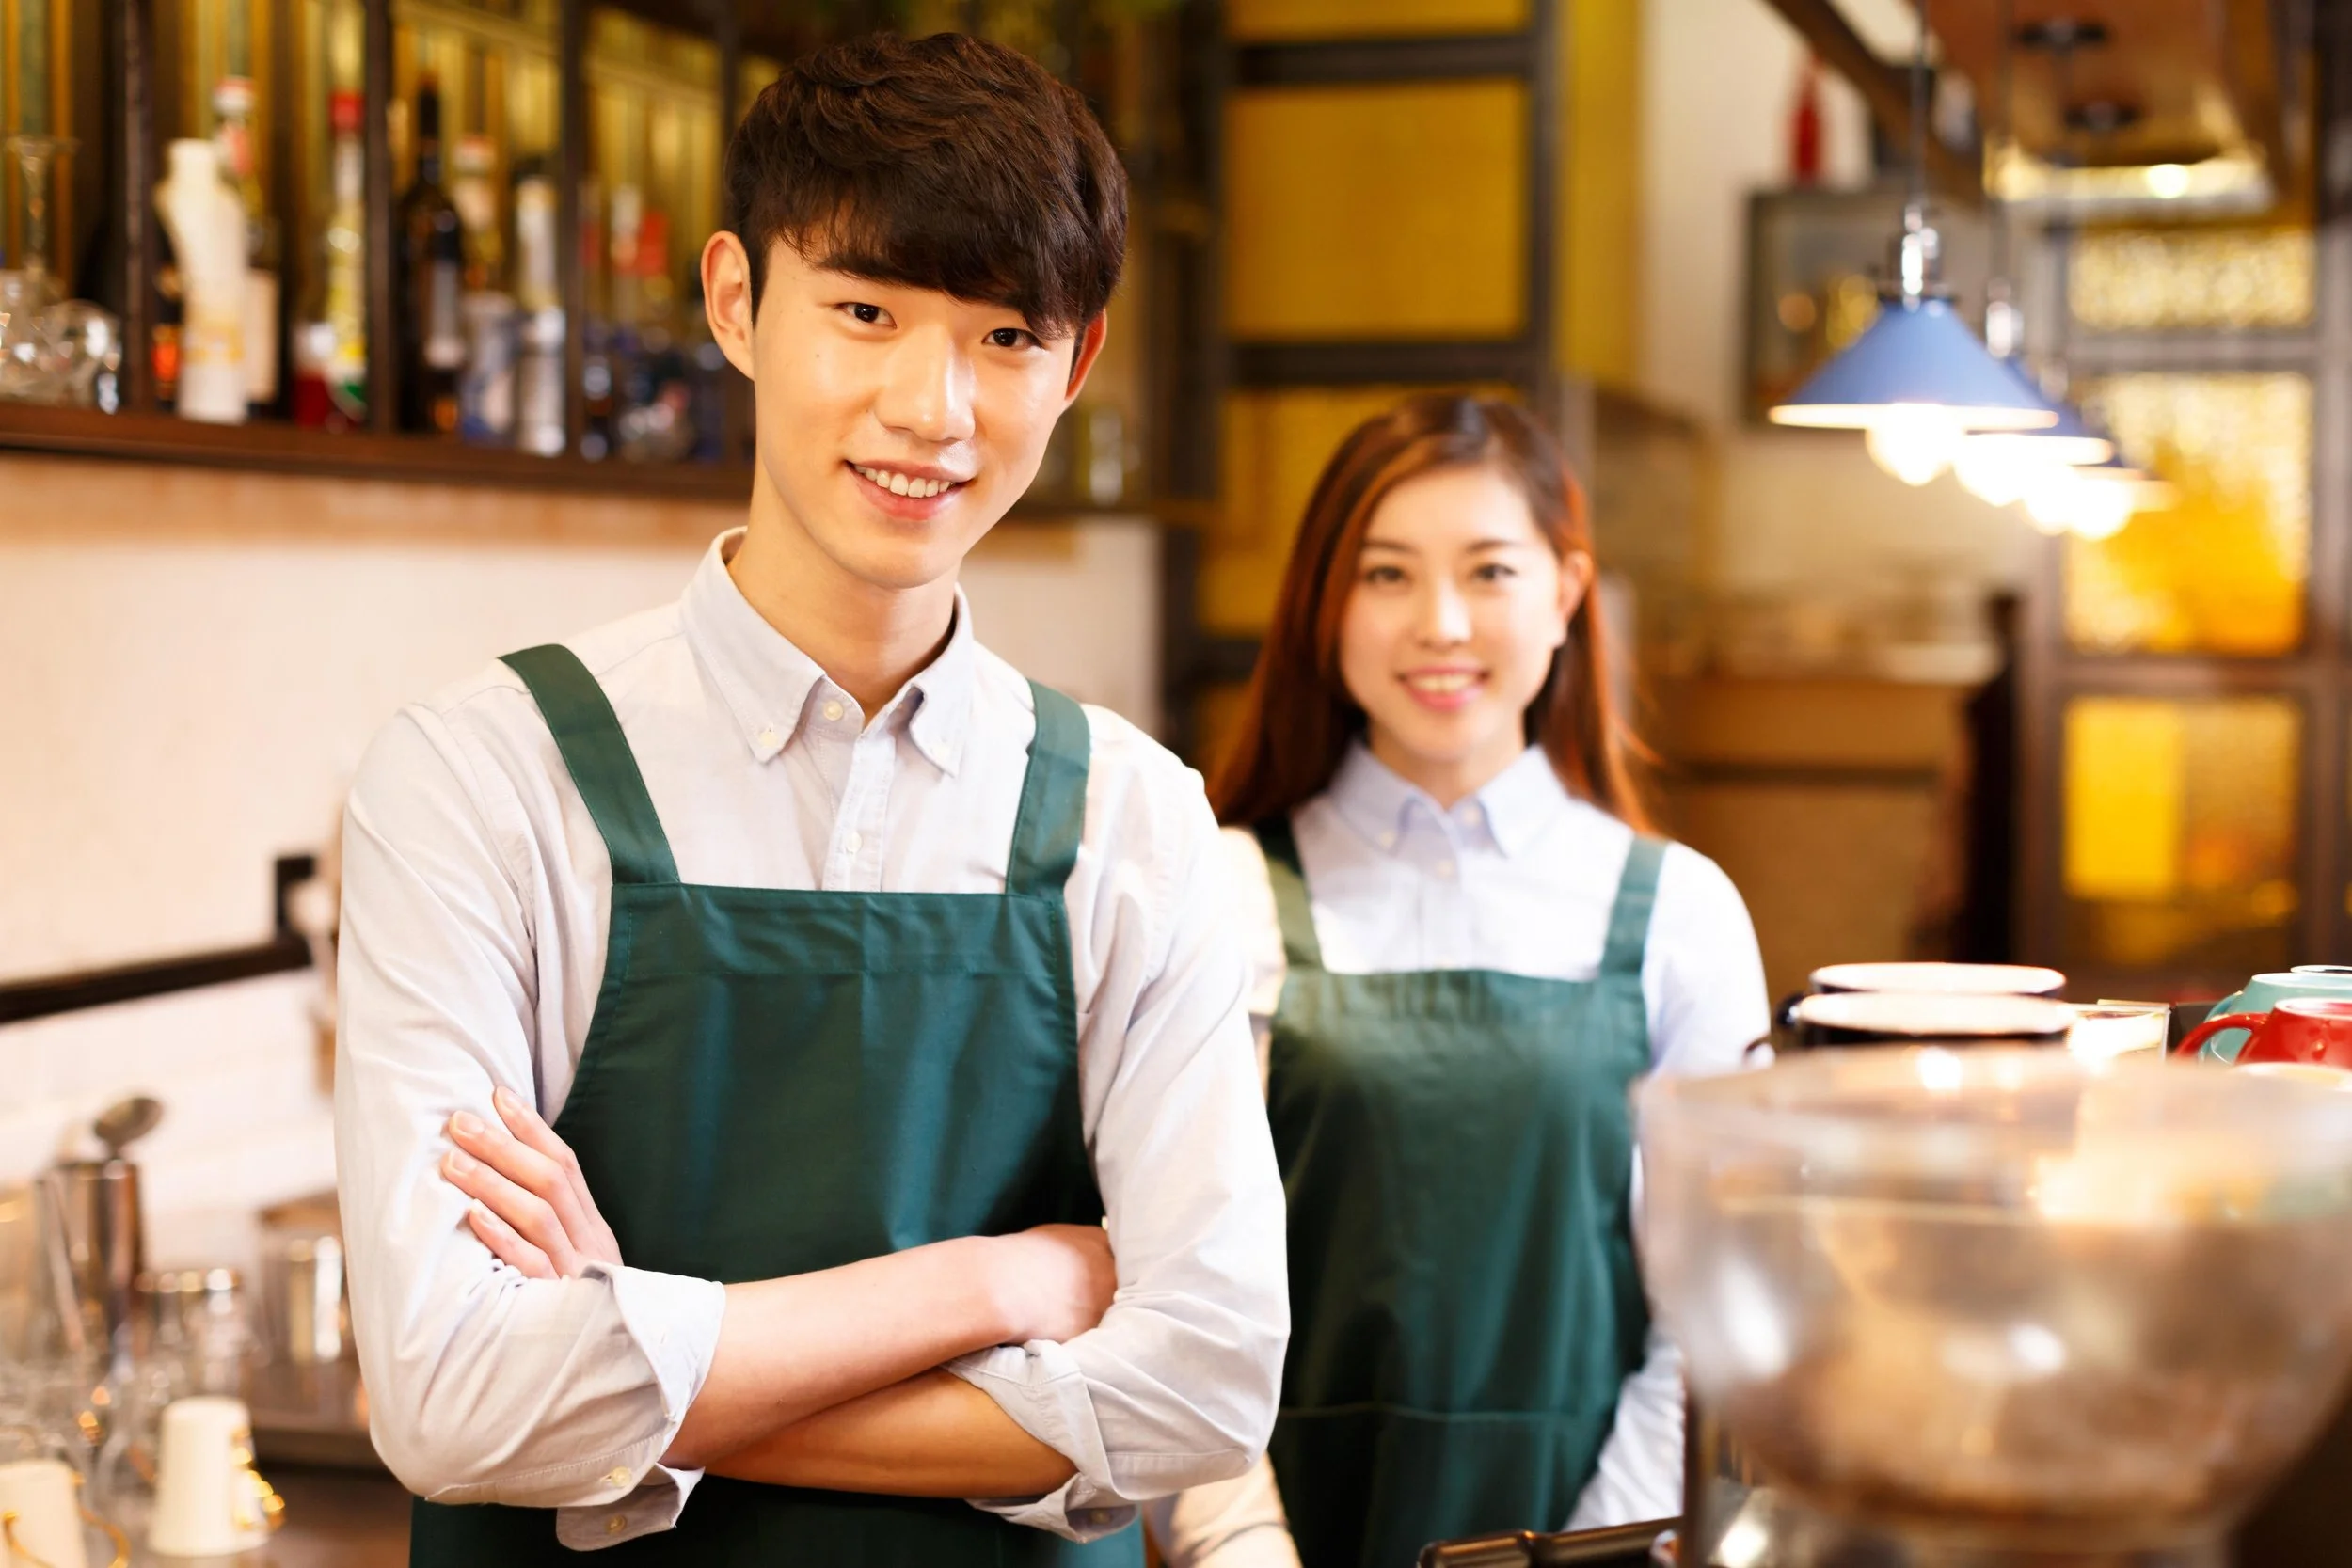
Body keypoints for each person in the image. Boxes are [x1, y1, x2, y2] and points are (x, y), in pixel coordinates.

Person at [333, 34, 1287, 1566]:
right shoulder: (480, 776)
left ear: (1078, 364)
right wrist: (990, 1286)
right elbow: (447, 1401)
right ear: (733, 302)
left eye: (1002, 338)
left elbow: (1213, 1389)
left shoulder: (1137, 819)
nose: (934, 408)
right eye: (864, 311)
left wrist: (638, 1355)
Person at [1146, 395, 1768, 1568]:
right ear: (1326, 602)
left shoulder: (1678, 912)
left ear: (1567, 593)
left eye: (1488, 571)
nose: (1438, 623)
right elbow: (1167, 1289)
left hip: (1597, 1538)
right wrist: (1244, 1550)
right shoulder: (1214, 893)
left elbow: (1714, 1312)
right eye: (1385, 575)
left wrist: (1590, 1555)